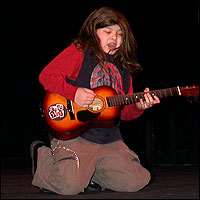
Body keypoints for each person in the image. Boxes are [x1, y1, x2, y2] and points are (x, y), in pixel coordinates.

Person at [31, 7, 160, 195]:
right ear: (93, 31)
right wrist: (74, 93)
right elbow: (46, 76)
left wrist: (139, 107)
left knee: (137, 181)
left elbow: (123, 113)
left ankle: (90, 172)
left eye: (120, 34)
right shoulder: (80, 52)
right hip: (75, 135)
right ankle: (42, 157)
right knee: (70, 187)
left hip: (109, 139)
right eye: (108, 32)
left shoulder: (124, 69)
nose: (114, 39)